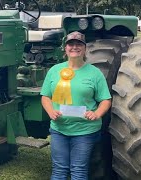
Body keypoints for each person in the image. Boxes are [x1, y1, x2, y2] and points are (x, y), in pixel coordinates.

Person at [40, 31, 112, 180]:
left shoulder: (95, 73)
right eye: (70, 44)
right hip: (59, 129)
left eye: (79, 44)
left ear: (85, 49)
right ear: (65, 49)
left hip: (85, 131)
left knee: (78, 170)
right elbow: (45, 96)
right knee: (59, 170)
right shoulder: (54, 71)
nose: (74, 47)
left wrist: (97, 114)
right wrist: (50, 111)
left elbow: (106, 100)